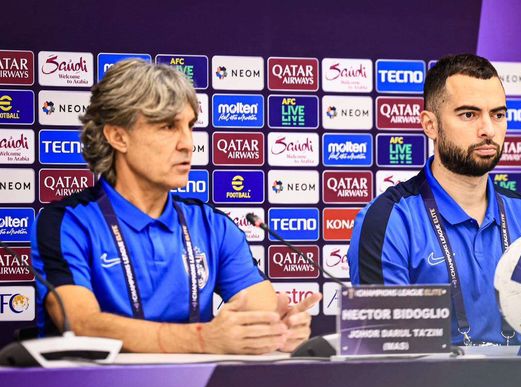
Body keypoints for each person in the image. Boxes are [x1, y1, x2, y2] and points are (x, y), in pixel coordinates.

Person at [31, 59, 320, 354]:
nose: (187, 143)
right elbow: (81, 324)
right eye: (168, 126)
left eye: (189, 126)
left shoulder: (212, 225)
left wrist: (276, 330)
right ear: (118, 136)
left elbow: (262, 311)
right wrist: (202, 339)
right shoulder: (68, 223)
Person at [348, 54, 521, 346]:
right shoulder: (389, 221)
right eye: (469, 115)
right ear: (430, 125)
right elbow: (390, 350)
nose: (488, 130)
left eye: (498, 114)